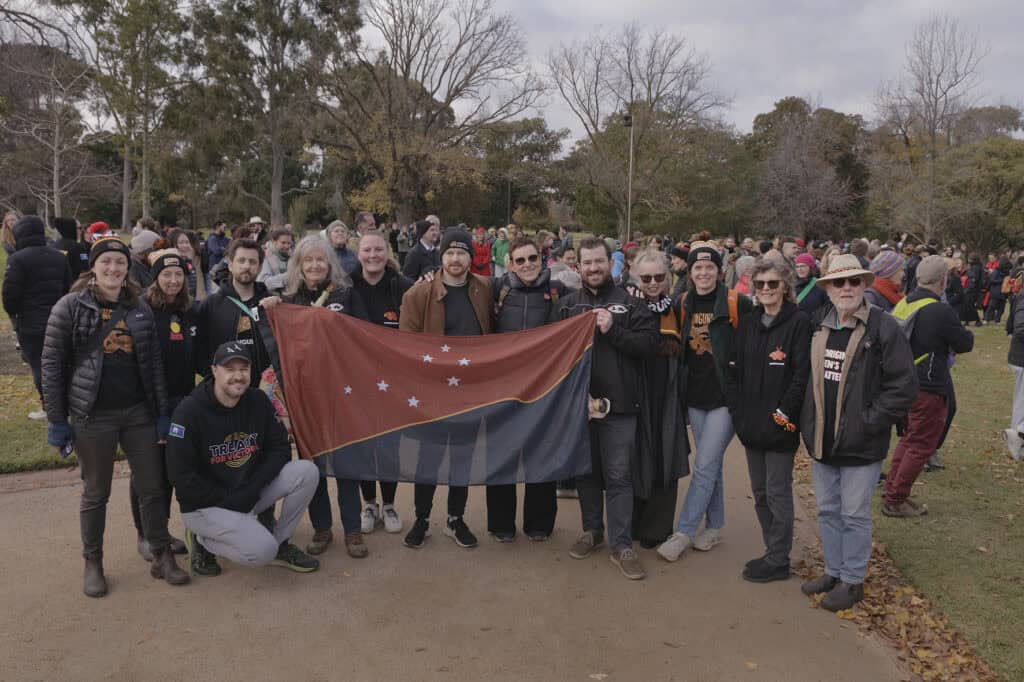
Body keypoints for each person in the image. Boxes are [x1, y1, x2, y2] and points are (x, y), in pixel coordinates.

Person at [42, 237, 189, 597]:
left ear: (127, 268)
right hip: (93, 415)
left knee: (152, 486)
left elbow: (153, 364)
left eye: (119, 263)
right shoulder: (69, 307)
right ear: (93, 266)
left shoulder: (139, 308)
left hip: (137, 412)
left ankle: (160, 553)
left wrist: (161, 414)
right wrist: (58, 422)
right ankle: (93, 561)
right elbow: (51, 367)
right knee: (96, 492)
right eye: (106, 262)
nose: (113, 269)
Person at [798, 254, 917, 611]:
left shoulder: (884, 327)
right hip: (823, 439)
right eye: (839, 282)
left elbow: (903, 386)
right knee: (828, 511)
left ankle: (853, 580)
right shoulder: (818, 323)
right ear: (828, 288)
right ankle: (834, 571)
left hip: (861, 443)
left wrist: (868, 421)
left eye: (853, 281)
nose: (846, 288)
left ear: (865, 284)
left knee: (854, 514)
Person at [552, 237, 659, 580]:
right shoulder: (567, 306)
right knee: (586, 472)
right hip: (579, 408)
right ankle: (592, 531)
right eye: (588, 263)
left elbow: (648, 346)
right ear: (578, 267)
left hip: (621, 408)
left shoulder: (632, 303)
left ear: (612, 265)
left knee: (618, 477)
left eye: (600, 262)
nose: (594, 268)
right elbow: (555, 356)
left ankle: (622, 544)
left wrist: (614, 330)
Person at [166, 342, 321, 576]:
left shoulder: (257, 400)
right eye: (230, 369)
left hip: (246, 493)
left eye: (244, 369)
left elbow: (279, 447)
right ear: (214, 370)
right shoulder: (189, 412)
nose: (238, 376)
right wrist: (228, 499)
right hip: (205, 506)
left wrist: (252, 488)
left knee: (307, 472)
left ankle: (279, 543)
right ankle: (202, 540)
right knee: (261, 551)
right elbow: (181, 477)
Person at [263, 236, 371, 559]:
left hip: (342, 394)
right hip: (306, 396)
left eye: (320, 260)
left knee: (348, 463)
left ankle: (352, 529)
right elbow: (277, 345)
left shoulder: (346, 295)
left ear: (330, 264)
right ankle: (322, 527)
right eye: (307, 261)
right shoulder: (287, 301)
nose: (314, 266)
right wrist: (269, 310)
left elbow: (365, 338)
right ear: (298, 265)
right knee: (314, 465)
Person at [658, 242, 753, 563]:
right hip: (695, 398)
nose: (703, 272)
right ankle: (714, 526)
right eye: (697, 267)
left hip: (725, 399)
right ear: (689, 270)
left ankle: (683, 531)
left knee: (704, 465)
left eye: (709, 267)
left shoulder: (737, 302)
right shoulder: (681, 302)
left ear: (719, 270)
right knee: (709, 466)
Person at [399, 228, 493, 549]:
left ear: (471, 257)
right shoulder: (418, 294)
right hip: (433, 390)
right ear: (441, 257)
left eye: (462, 253)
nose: (455, 259)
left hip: (470, 391)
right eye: (450, 253)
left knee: (462, 457)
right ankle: (422, 518)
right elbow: (406, 345)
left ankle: (455, 518)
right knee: (429, 457)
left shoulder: (485, 289)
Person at [731, 258, 811, 582]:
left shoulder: (799, 323)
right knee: (760, 492)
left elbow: (800, 376)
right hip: (751, 425)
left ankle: (779, 557)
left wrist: (782, 415)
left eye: (772, 284)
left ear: (785, 287)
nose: (766, 290)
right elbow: (736, 370)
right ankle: (771, 551)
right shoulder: (750, 323)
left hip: (780, 426)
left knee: (777, 491)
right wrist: (739, 413)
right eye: (760, 284)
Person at [485, 237, 568, 542]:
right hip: (503, 388)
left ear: (541, 258)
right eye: (520, 260)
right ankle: (502, 523)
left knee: (541, 453)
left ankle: (539, 523)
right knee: (501, 455)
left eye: (532, 258)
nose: (527, 265)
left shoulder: (559, 291)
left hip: (543, 388)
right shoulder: (497, 290)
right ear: (510, 264)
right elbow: (461, 284)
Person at [883, 256, 974, 516]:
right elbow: (964, 343)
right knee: (921, 444)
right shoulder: (939, 310)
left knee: (909, 440)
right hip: (928, 386)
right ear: (943, 281)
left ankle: (893, 491)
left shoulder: (904, 302)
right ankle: (896, 499)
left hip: (903, 382)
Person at [130, 250, 199, 562]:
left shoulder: (186, 310)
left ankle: (161, 531)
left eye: (178, 275)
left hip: (181, 401)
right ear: (155, 277)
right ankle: (144, 534)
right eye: (166, 275)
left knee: (169, 471)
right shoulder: (143, 310)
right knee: (147, 474)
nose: (173, 280)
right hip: (149, 404)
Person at [351, 230, 414, 534]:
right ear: (358, 253)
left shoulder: (403, 287)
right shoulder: (345, 286)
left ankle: (388, 504)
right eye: (367, 250)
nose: (373, 255)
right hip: (356, 379)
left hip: (393, 381)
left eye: (378, 249)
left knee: (390, 443)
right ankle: (369, 504)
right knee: (364, 443)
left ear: (387, 252)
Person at [628, 250, 690, 549]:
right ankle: (631, 522)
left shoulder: (678, 309)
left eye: (659, 277)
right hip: (634, 391)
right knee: (633, 457)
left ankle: (656, 527)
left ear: (668, 277)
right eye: (646, 277)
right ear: (635, 277)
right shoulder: (626, 306)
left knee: (665, 457)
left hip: (666, 393)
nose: (652, 283)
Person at [2, 216, 73, 419]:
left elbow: (10, 295)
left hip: (31, 323)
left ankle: (49, 407)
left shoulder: (17, 259)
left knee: (39, 365)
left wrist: (15, 316)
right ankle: (66, 402)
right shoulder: (59, 256)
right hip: (59, 319)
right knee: (61, 362)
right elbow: (68, 287)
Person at [196, 238, 272, 386]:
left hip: (264, 390)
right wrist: (215, 380)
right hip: (224, 390)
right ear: (230, 265)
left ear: (260, 267)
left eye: (252, 262)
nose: (246, 266)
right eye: (241, 261)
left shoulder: (270, 304)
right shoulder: (211, 305)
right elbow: (199, 351)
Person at [1005, 283, 1024, 460]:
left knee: (1021, 401)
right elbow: (1019, 329)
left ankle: (1017, 439)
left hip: (1019, 357)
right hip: (1021, 358)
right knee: (1021, 401)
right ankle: (1018, 434)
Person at [168, 229, 208, 300]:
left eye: (187, 242)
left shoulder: (187, 261)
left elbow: (192, 286)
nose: (185, 245)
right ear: (173, 245)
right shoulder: (171, 264)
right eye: (181, 242)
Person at [257, 227, 294, 295]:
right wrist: (290, 276)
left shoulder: (292, 256)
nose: (287, 246)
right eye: (283, 243)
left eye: (289, 243)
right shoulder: (265, 257)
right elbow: (264, 283)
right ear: (274, 241)